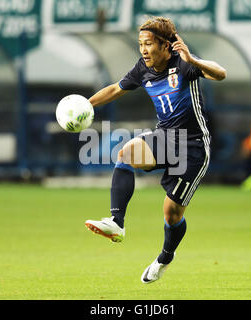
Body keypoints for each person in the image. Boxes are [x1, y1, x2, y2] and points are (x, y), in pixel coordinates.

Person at [84, 17, 227, 283]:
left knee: (172, 214)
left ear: (165, 45)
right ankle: (117, 222)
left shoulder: (184, 63)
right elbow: (116, 88)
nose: (144, 50)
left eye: (148, 44)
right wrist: (86, 105)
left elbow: (220, 73)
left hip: (192, 147)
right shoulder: (143, 68)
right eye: (141, 44)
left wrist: (193, 60)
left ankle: (165, 257)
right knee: (126, 153)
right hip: (165, 137)